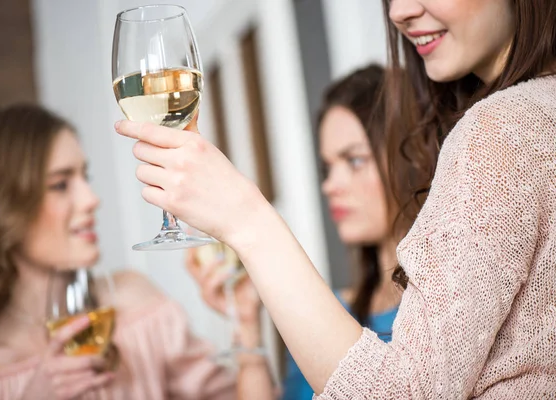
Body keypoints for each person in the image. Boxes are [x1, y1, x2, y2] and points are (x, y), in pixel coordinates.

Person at [116, 0, 556, 396]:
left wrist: (246, 220)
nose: (398, 11)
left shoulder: (502, 129)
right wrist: (246, 323)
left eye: (355, 160)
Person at [0, 104, 265, 399]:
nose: (91, 199)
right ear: (0, 208)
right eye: (61, 185)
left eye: (84, 178)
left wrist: (247, 323)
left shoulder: (135, 305)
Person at [187, 65, 404, 400]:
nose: (330, 185)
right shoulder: (326, 309)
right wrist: (247, 326)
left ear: (410, 158)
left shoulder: (436, 308)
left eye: (355, 160)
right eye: (327, 167)